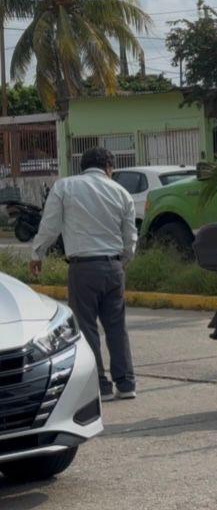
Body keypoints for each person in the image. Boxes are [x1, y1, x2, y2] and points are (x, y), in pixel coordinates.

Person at [30, 147, 138, 401]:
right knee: (116, 326)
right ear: (109, 168)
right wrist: (123, 260)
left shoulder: (65, 187)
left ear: (83, 166)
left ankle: (100, 386)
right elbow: (130, 235)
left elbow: (50, 225)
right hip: (113, 267)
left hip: (82, 267)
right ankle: (126, 383)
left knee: (87, 328)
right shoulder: (121, 192)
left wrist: (37, 254)